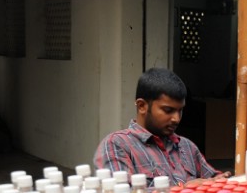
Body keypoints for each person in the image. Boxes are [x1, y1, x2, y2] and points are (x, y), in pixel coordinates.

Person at [94, 68, 229, 186]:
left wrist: (220, 180)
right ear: (142, 106)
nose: (176, 118)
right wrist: (183, 190)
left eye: (180, 110)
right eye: (168, 110)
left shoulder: (187, 147)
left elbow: (212, 178)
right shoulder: (117, 145)